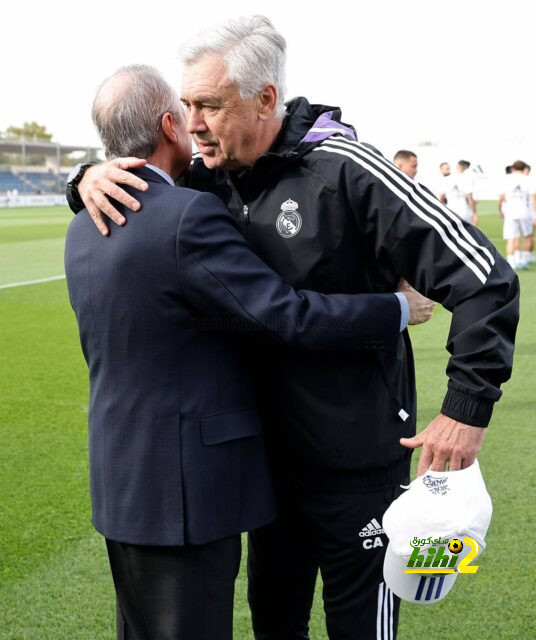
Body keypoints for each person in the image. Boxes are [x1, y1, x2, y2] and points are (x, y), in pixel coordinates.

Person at [67, 16, 519, 640]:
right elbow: (147, 184)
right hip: (265, 472)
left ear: (266, 100)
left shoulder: (348, 171)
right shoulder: (208, 174)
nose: (194, 121)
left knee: (361, 629)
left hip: (358, 466)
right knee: (275, 625)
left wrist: (466, 409)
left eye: (210, 105)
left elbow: (485, 276)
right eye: (188, 104)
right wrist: (84, 177)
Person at [498, 160, 536, 270]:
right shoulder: (528, 179)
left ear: (513, 168)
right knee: (528, 236)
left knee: (511, 238)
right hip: (525, 212)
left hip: (510, 212)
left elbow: (501, 198)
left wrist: (500, 210)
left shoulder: (506, 179)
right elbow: (533, 199)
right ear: (524, 168)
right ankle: (524, 260)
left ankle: (511, 263)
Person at [439, 159, 478, 225]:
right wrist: (475, 214)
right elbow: (470, 198)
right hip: (465, 213)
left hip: (452, 213)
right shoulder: (466, 178)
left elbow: (441, 198)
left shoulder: (447, 180)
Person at [522, 163, 535, 264]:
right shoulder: (526, 181)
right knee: (528, 235)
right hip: (527, 212)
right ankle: (525, 257)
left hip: (529, 212)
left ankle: (528, 256)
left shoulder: (528, 181)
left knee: (529, 235)